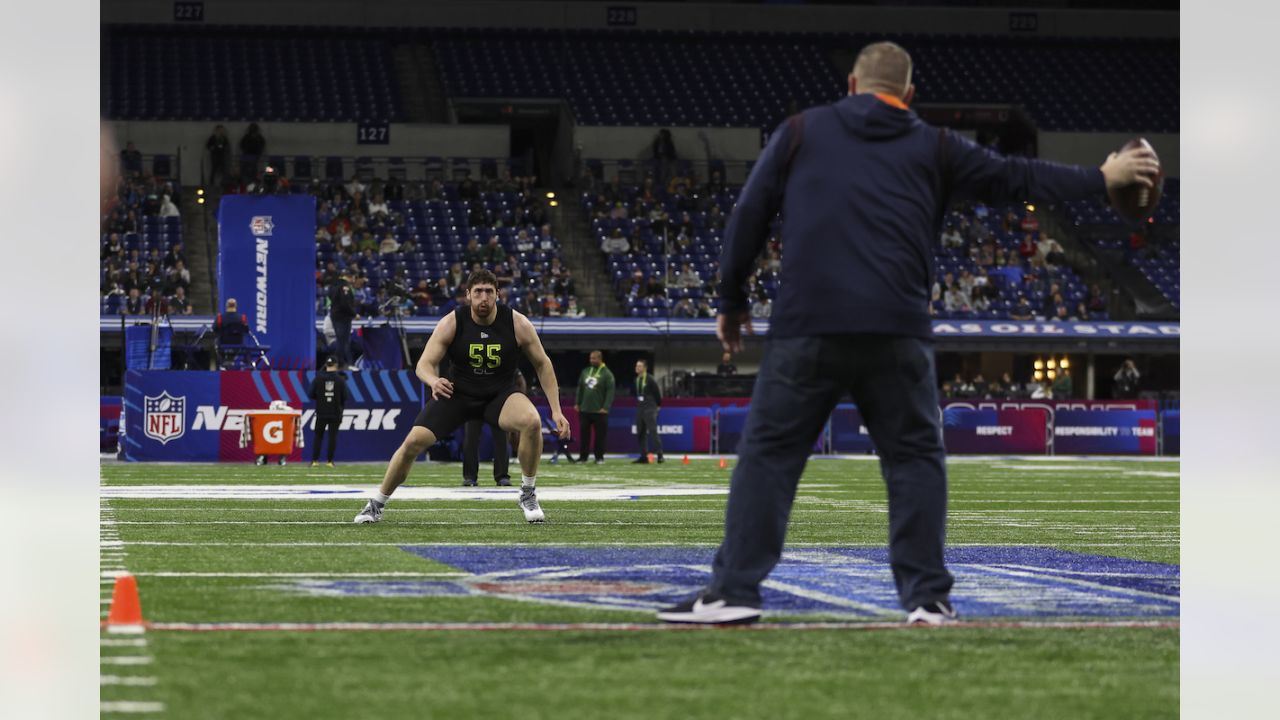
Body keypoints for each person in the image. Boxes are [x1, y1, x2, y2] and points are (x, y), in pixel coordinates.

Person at [657, 41, 1160, 626]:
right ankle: (926, 599)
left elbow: (749, 212)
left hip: (809, 323)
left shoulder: (799, 131)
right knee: (915, 459)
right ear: (910, 96)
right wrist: (1102, 177)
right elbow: (1017, 177)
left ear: (851, 85)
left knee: (768, 458)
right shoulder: (935, 143)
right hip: (896, 328)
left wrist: (731, 301)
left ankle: (734, 592)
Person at [354, 269, 570, 525]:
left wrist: (556, 411)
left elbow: (543, 364)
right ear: (468, 295)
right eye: (478, 291)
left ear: (498, 295)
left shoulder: (517, 322)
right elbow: (424, 364)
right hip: (458, 395)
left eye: (489, 292)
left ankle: (528, 493)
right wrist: (434, 380)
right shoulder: (452, 321)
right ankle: (376, 504)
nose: (484, 298)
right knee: (412, 442)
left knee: (532, 422)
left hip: (499, 395)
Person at [462, 371, 528, 487]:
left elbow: (519, 379)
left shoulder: (500, 357)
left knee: (501, 439)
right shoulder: (470, 359)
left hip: (497, 401)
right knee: (471, 439)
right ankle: (470, 476)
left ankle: (502, 476)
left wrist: (520, 400)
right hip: (474, 400)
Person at [307, 356, 352, 467]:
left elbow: (310, 394)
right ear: (336, 366)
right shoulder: (340, 380)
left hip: (321, 411)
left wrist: (321, 397)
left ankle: (314, 461)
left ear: (326, 365)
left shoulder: (318, 378)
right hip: (335, 412)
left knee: (318, 436)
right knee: (332, 437)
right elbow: (346, 396)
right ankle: (329, 461)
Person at [574, 350, 615, 464]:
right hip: (585, 409)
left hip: (599, 411)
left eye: (594, 358)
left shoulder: (607, 374)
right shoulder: (586, 371)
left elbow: (610, 392)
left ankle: (599, 457)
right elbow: (580, 388)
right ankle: (583, 457)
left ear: (600, 359)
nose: (591, 360)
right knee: (584, 435)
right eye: (590, 358)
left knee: (600, 436)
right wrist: (578, 402)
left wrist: (605, 407)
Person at [631, 359, 664, 464]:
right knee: (640, 432)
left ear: (645, 368)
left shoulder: (650, 379)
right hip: (640, 407)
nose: (637, 368)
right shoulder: (637, 379)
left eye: (639, 366)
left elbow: (657, 393)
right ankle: (643, 456)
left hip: (650, 407)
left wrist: (658, 406)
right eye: (636, 366)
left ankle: (660, 455)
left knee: (653, 432)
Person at [328, 274, 358, 370]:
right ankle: (335, 363)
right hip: (343, 317)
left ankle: (339, 363)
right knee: (343, 341)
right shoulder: (345, 287)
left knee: (341, 340)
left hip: (334, 315)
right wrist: (354, 314)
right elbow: (345, 303)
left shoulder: (333, 286)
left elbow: (330, 297)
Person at [205, 125, 231, 189]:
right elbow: (208, 146)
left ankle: (224, 183)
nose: (221, 131)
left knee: (223, 170)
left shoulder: (224, 138)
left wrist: (224, 148)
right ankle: (212, 183)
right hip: (215, 156)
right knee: (214, 169)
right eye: (219, 130)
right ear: (216, 130)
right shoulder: (213, 138)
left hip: (222, 155)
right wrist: (213, 147)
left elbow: (227, 146)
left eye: (222, 130)